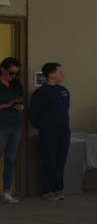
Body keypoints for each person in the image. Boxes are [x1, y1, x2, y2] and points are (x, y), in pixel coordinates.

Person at [29, 62, 70, 198]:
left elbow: (65, 109)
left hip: (63, 131)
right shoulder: (40, 93)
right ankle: (47, 190)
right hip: (48, 132)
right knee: (49, 160)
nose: (62, 74)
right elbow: (33, 114)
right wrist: (44, 127)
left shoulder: (63, 91)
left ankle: (58, 189)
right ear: (51, 74)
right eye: (59, 72)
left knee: (60, 160)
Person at [0, 57, 25, 203]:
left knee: (10, 158)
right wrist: (7, 105)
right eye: (11, 73)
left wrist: (18, 106)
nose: (13, 76)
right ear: (2, 69)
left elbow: (19, 101)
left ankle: (7, 191)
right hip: (1, 126)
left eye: (16, 74)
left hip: (15, 125)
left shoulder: (16, 85)